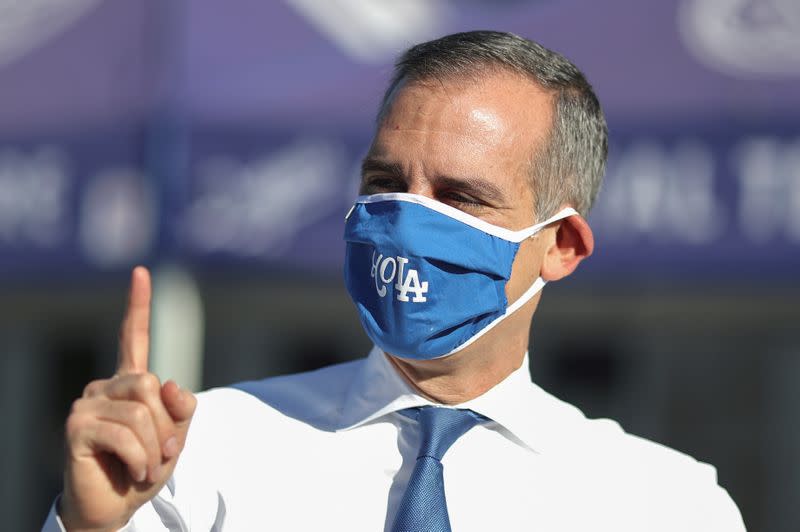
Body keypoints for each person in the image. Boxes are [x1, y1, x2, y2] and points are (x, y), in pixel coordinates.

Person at [43, 31, 745, 531]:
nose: (408, 221)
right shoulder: (199, 453)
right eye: (385, 184)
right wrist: (88, 528)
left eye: (460, 198)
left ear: (561, 245)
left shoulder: (668, 505)